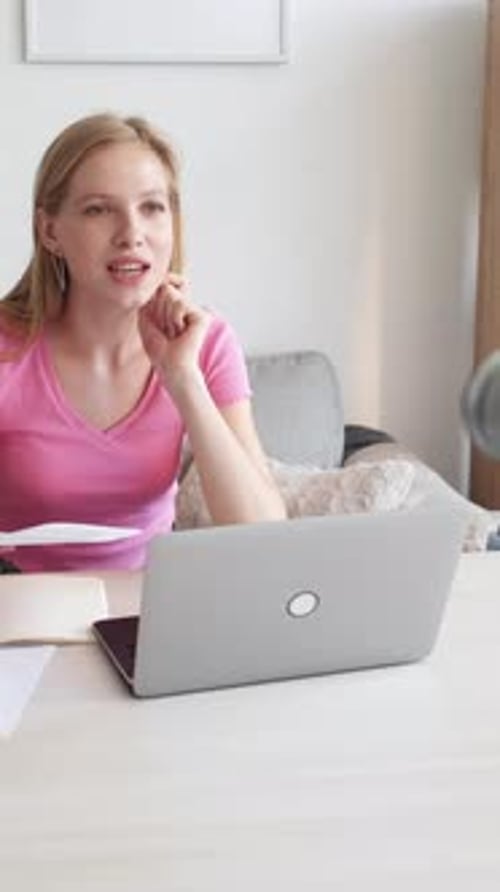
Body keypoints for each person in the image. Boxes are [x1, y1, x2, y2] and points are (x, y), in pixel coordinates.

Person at [0, 112, 286, 572]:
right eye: (98, 209)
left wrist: (182, 378)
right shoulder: (7, 349)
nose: (131, 234)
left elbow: (263, 535)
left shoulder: (206, 343)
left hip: (149, 615)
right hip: (18, 614)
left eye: (151, 207)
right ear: (50, 231)